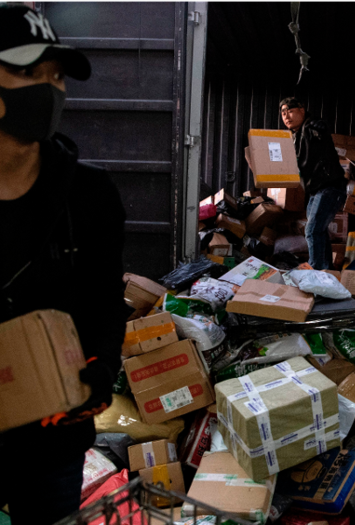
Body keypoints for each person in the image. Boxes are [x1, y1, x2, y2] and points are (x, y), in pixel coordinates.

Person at [0, 5, 125, 524]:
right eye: (29, 73)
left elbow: (103, 299)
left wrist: (100, 367)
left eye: (56, 77)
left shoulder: (89, 195)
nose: (49, 89)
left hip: (53, 435)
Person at [280, 97, 346, 270]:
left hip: (330, 187)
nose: (287, 116)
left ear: (302, 110)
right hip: (316, 190)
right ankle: (326, 270)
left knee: (312, 230)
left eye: (291, 111)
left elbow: (320, 130)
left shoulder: (311, 128)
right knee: (319, 230)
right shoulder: (295, 136)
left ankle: (315, 272)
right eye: (283, 113)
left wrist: (319, 127)